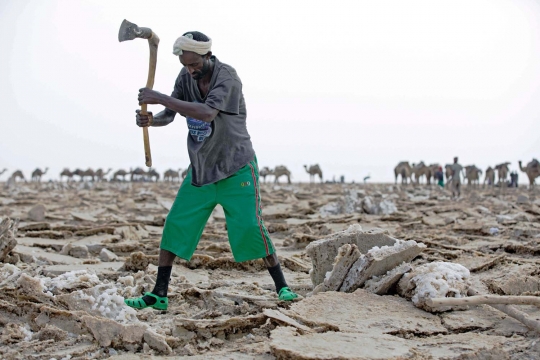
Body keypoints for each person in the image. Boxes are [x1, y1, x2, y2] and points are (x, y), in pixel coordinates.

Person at [124, 31, 298, 310]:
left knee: (251, 227)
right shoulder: (186, 77)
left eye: (194, 64)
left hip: (236, 166)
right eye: (185, 65)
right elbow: (171, 113)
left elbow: (206, 112)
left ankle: (282, 287)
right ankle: (159, 294)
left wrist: (160, 98)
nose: (190, 70)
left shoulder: (227, 77)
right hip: (202, 168)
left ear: (207, 56)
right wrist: (151, 120)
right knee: (176, 224)